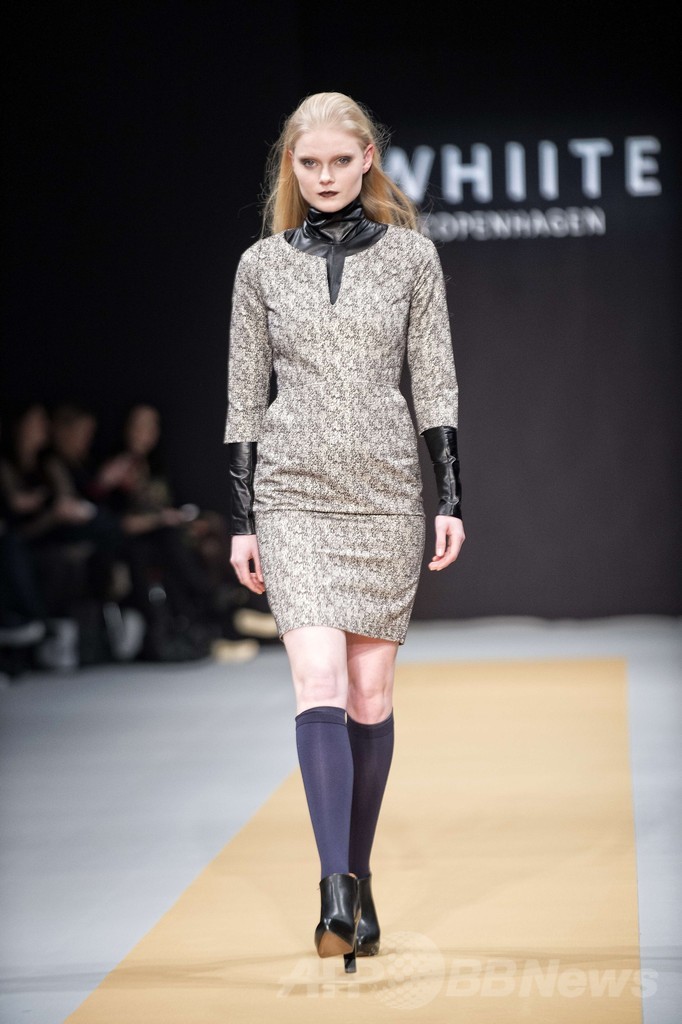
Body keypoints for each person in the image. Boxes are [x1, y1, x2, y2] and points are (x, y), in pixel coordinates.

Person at [223, 92, 465, 972]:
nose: (324, 177)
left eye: (338, 160)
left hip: (384, 492)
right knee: (317, 679)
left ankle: (356, 882)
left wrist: (450, 496)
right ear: (291, 166)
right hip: (292, 493)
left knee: (369, 694)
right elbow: (244, 397)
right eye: (308, 162)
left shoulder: (412, 258)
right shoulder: (260, 267)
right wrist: (244, 520)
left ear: (367, 159)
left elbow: (434, 380)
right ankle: (334, 886)